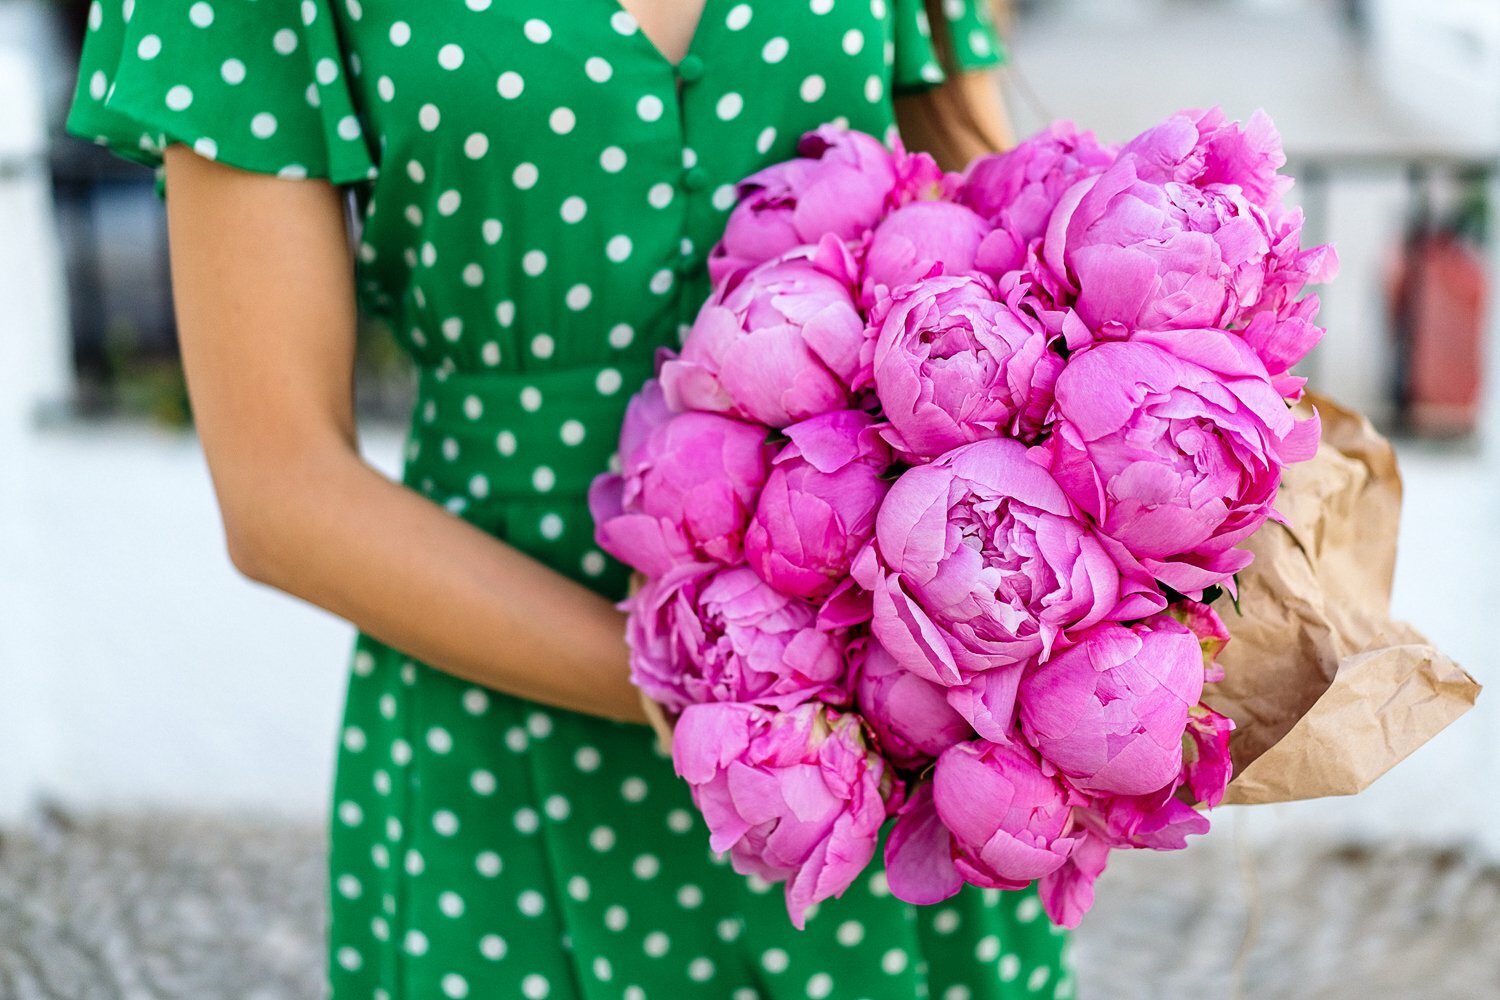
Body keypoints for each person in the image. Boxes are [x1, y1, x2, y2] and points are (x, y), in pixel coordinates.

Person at [64, 0, 1073, 995]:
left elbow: (988, 234)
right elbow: (282, 497)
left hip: (882, 730)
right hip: (521, 721)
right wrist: (740, 701)